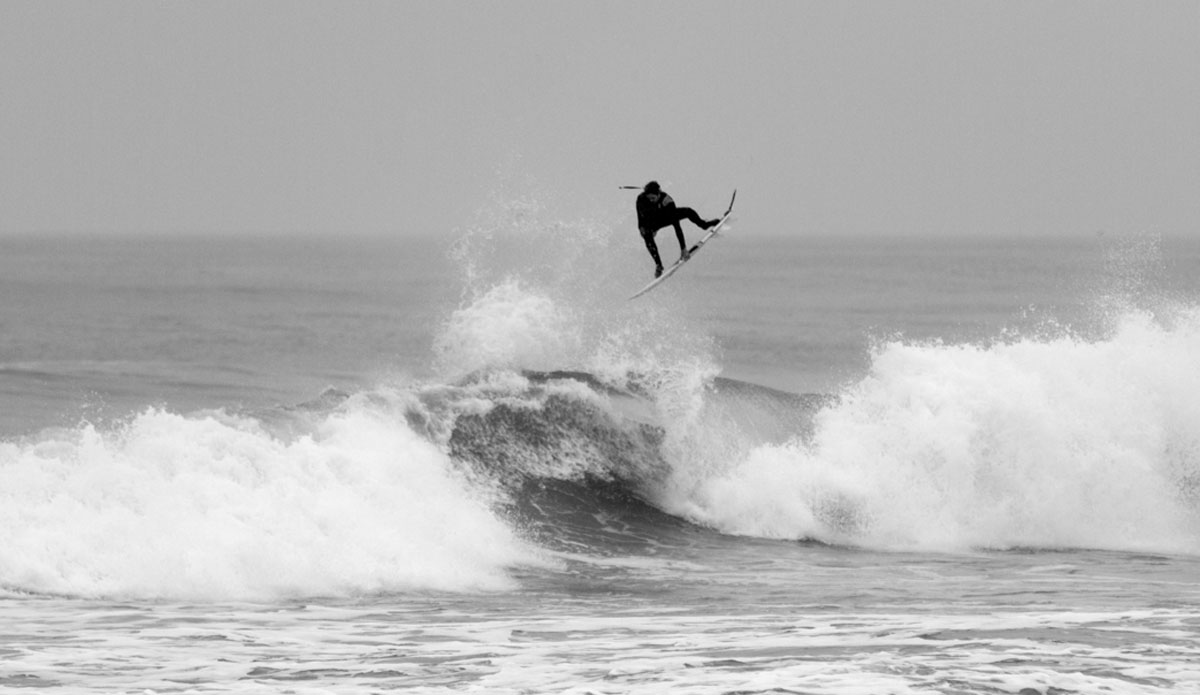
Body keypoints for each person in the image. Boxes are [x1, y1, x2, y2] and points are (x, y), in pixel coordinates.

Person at [635, 181, 720, 278]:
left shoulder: (667, 201)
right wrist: (645, 230)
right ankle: (658, 265)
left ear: (659, 194)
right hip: (649, 221)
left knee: (688, 211)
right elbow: (640, 219)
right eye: (649, 198)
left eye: (653, 198)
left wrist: (683, 249)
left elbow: (677, 226)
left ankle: (705, 225)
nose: (651, 200)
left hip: (664, 216)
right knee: (646, 234)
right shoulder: (641, 199)